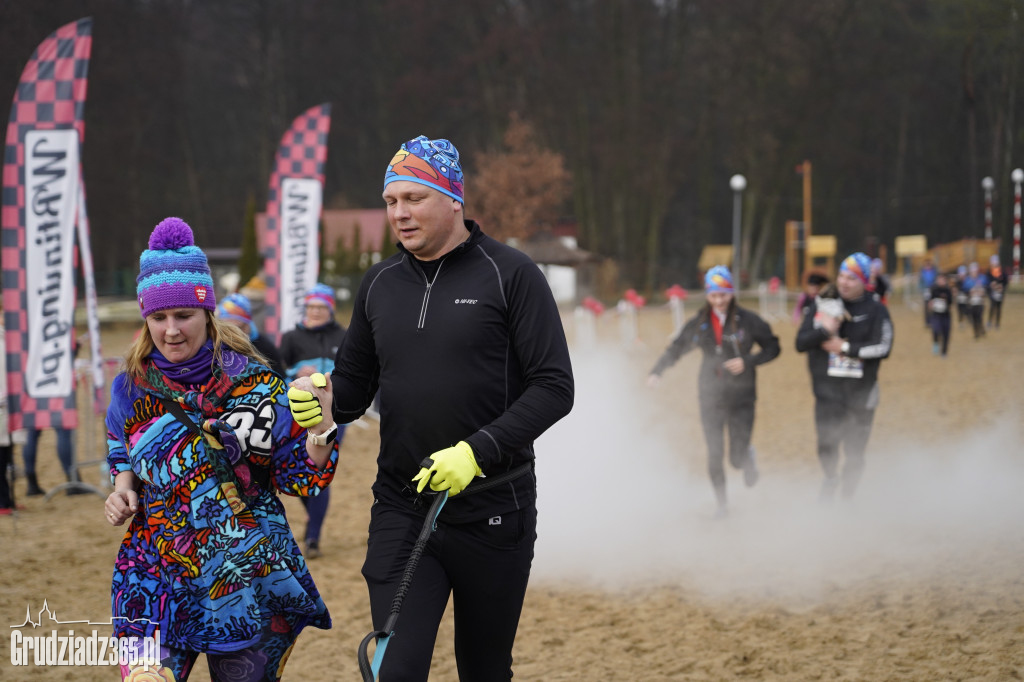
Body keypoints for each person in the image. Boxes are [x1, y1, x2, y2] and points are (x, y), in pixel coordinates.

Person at [287, 135, 574, 680]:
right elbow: (352, 389)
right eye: (391, 201)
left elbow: (555, 386)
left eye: (413, 198)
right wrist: (322, 400)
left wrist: (475, 450)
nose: (399, 213)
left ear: (452, 198)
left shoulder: (512, 275)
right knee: (395, 670)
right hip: (402, 504)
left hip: (494, 508)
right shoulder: (379, 283)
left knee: (484, 669)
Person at [103, 217, 339, 681]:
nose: (170, 330)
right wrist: (123, 488)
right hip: (156, 575)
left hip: (244, 577)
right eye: (158, 318)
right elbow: (121, 447)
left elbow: (300, 476)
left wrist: (323, 426)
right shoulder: (130, 387)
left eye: (183, 316)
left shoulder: (254, 383)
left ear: (207, 312)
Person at [647, 265, 780, 517]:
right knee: (714, 453)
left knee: (736, 459)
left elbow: (773, 348)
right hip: (710, 395)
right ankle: (722, 505)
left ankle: (747, 456)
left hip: (742, 396)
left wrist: (748, 361)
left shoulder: (750, 321)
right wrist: (657, 372)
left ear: (732, 293)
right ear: (707, 295)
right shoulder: (699, 323)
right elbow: (676, 348)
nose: (719, 301)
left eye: (724, 294)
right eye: (713, 295)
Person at [796, 252, 894, 501]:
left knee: (855, 453)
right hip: (827, 395)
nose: (843, 282)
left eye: (851, 278)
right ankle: (830, 478)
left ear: (864, 281)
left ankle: (847, 498)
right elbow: (800, 343)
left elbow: (884, 347)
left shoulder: (876, 310)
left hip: (861, 396)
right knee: (826, 446)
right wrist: (823, 331)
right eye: (841, 276)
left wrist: (846, 348)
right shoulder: (822, 303)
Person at [278, 283, 348, 559]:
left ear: (330, 309)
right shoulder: (291, 337)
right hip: (299, 414)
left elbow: (354, 370)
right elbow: (278, 372)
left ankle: (314, 536)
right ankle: (313, 520)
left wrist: (331, 373)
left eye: (321, 307)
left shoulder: (344, 336)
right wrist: (298, 371)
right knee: (304, 469)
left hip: (336, 414)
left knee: (321, 467)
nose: (315, 312)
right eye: (311, 307)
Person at [216, 292, 286, 377]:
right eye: (225, 326)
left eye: (236, 327)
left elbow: (282, 378)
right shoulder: (215, 345)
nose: (232, 333)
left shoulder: (265, 346)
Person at [928, 272, 953, 356]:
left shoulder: (948, 290)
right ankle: (935, 343)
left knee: (946, 333)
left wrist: (945, 303)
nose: (941, 281)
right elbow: (930, 302)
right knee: (936, 330)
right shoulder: (934, 290)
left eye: (943, 279)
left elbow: (951, 303)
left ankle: (944, 351)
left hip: (945, 315)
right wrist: (931, 304)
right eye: (939, 279)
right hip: (936, 315)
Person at [962, 262, 987, 339]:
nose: (974, 273)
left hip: (980, 302)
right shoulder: (967, 280)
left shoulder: (982, 278)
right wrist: (970, 292)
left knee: (979, 316)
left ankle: (981, 329)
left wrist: (982, 292)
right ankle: (976, 332)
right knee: (974, 318)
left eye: (975, 271)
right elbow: (964, 290)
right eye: (972, 271)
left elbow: (987, 287)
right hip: (972, 302)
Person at [986, 254, 1008, 330]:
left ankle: (997, 323)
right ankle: (989, 322)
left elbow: (1005, 281)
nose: (994, 263)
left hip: (1000, 293)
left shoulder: (1002, 271)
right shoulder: (989, 272)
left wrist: (1002, 287)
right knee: (992, 306)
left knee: (998, 308)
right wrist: (991, 285)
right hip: (992, 293)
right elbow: (987, 282)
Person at [919, 258, 937, 328]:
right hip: (925, 290)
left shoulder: (934, 271)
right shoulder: (922, 272)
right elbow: (920, 282)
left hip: (933, 290)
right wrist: (922, 290)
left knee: (933, 306)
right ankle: (927, 322)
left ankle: (933, 320)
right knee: (926, 307)